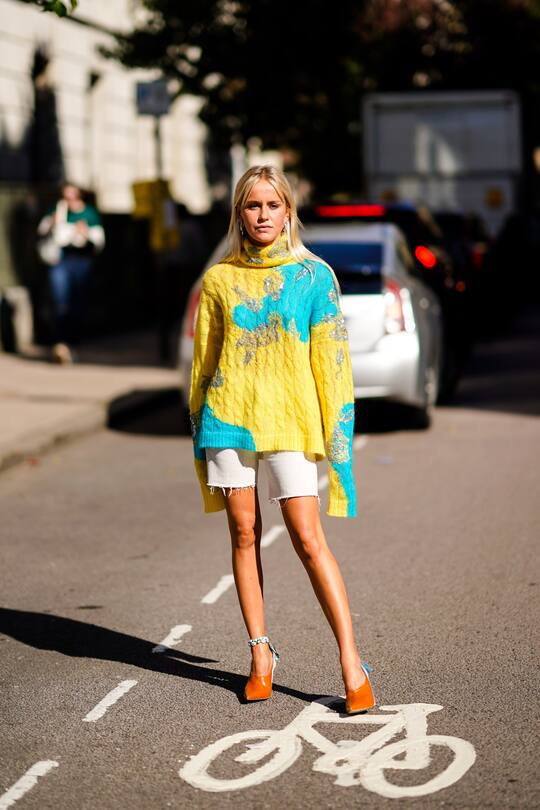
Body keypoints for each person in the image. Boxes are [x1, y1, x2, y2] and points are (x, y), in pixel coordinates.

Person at [188, 165, 375, 714]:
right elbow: (203, 364)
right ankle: (260, 654)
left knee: (307, 538)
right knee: (244, 532)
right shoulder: (219, 280)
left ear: (288, 211)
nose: (263, 215)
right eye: (253, 206)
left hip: (291, 419)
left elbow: (332, 366)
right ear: (240, 214)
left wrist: (338, 448)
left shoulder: (314, 276)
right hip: (228, 418)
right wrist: (197, 429)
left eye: (273, 205)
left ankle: (350, 661)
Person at [37, 183, 105, 363]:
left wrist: (84, 232)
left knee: (78, 301)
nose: (69, 200)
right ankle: (61, 342)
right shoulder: (58, 210)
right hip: (61, 259)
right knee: (61, 301)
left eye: (72, 196)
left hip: (81, 260)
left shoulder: (89, 213)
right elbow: (42, 230)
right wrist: (52, 221)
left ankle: (74, 341)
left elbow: (99, 240)